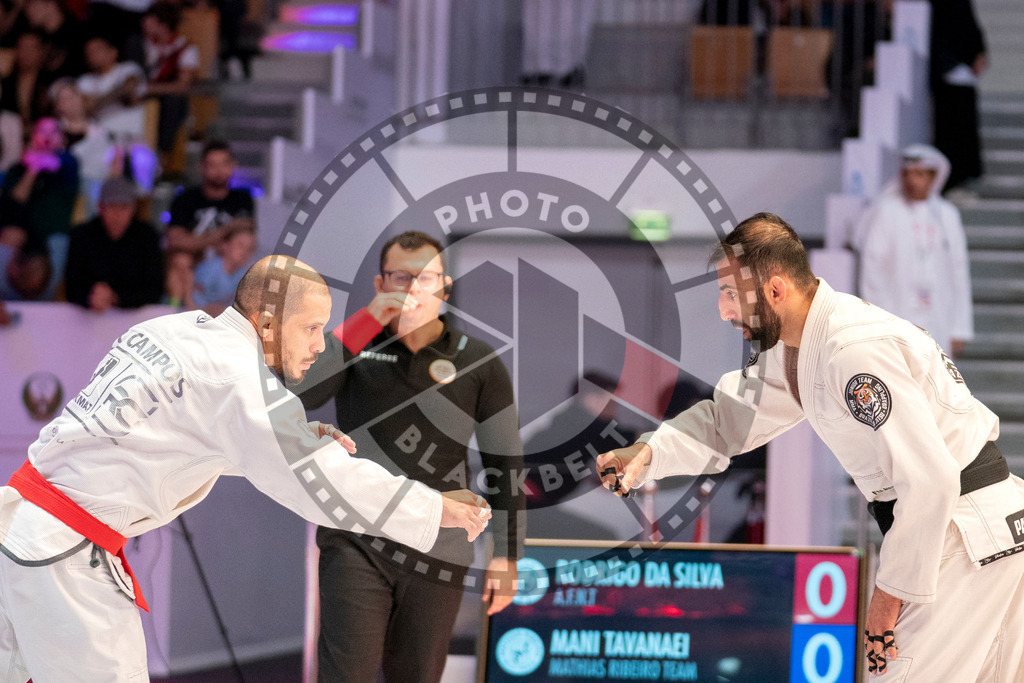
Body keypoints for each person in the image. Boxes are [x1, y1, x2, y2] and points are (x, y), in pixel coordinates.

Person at [0, 254, 491, 681]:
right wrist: (433, 507)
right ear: (268, 323)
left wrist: (293, 437)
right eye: (310, 327)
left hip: (17, 529)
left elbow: (176, 435)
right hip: (66, 560)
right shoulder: (240, 377)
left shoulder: (167, 329)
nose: (320, 344)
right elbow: (321, 482)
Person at [596, 212, 1024, 680]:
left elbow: (931, 479)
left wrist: (887, 597)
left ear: (776, 290)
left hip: (964, 535)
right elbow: (727, 420)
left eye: (731, 294)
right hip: (987, 532)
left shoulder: (852, 351)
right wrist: (649, 453)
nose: (724, 310)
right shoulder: (798, 349)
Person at [296, 231, 524, 682]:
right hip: (355, 535)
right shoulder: (355, 346)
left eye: (427, 278)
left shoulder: (478, 359)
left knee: (417, 673)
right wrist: (365, 321)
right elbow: (302, 392)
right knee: (346, 673)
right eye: (402, 277)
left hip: (441, 543)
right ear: (380, 285)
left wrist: (507, 554)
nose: (414, 289)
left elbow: (505, 460)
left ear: (446, 286)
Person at [855, 144, 973, 357]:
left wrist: (959, 328)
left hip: (939, 316)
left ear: (933, 177)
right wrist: (878, 322)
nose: (911, 180)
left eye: (919, 174)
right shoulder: (887, 212)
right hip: (896, 314)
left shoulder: (947, 215)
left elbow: (958, 271)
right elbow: (873, 270)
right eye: (906, 174)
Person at [0, 116, 79, 297]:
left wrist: (36, 159)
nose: (48, 137)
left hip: (52, 236)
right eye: (43, 131)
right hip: (20, 238)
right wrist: (32, 170)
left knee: (46, 274)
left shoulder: (69, 165)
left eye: (54, 132)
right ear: (33, 136)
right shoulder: (17, 170)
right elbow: (15, 200)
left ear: (62, 139)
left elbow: (55, 163)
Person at [64, 176, 163, 312]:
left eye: (123, 207)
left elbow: (155, 289)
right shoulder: (82, 235)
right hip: (88, 322)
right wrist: (91, 297)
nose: (117, 215)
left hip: (136, 323)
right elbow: (72, 288)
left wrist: (116, 298)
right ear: (100, 207)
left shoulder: (147, 236)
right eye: (111, 206)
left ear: (133, 209)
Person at [930, 0, 987, 193]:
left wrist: (979, 50)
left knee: (962, 125)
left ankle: (962, 176)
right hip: (946, 65)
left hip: (959, 68)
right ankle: (953, 179)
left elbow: (969, 22)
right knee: (949, 127)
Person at [165, 139, 255, 256]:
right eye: (212, 165)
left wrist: (196, 241)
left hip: (230, 262)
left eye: (224, 164)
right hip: (194, 261)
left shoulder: (242, 198)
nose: (219, 171)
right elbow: (174, 240)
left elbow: (249, 229)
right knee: (180, 259)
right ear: (202, 167)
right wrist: (220, 234)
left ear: (233, 166)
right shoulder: (185, 199)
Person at [140, 0, 197, 161]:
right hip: (141, 97)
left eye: (149, 20)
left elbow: (182, 86)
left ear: (163, 25)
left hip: (166, 100)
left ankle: (162, 154)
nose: (143, 23)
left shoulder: (185, 48)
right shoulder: (140, 46)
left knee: (174, 101)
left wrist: (149, 89)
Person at [191, 223, 257, 314]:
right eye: (240, 245)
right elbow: (193, 297)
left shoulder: (242, 276)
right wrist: (206, 308)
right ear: (225, 245)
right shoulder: (209, 269)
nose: (244, 252)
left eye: (249, 249)